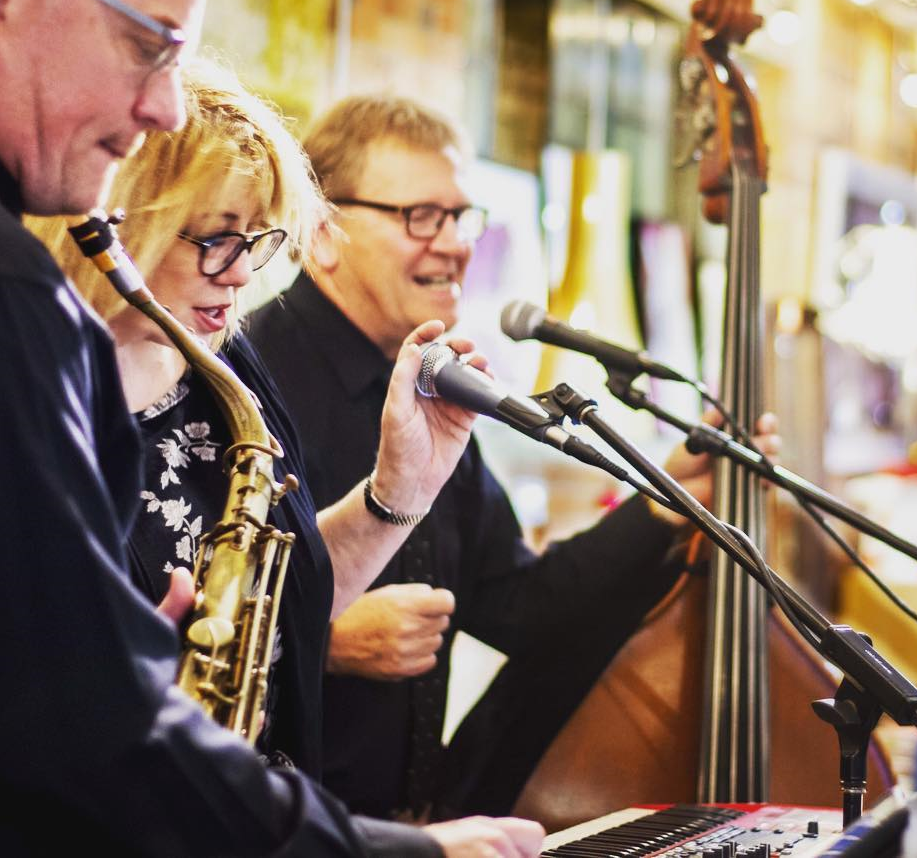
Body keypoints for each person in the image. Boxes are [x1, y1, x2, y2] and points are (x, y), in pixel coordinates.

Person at [0, 0, 541, 855]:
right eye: (215, 237)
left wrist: (397, 491)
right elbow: (85, 723)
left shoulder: (228, 369)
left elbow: (278, 613)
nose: (240, 274)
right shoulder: (30, 314)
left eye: (260, 243)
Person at [246, 95, 781, 820]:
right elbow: (175, 639)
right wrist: (322, 641)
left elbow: (519, 609)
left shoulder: (429, 385)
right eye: (421, 216)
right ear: (323, 233)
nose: (454, 244)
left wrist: (665, 503)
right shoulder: (248, 381)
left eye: (461, 217)